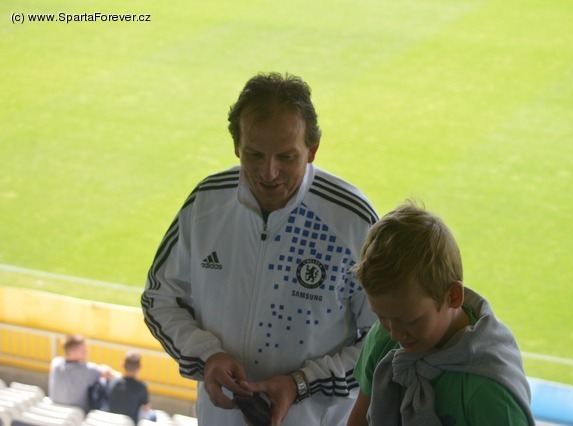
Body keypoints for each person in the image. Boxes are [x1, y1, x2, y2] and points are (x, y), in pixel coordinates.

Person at [141, 72, 378, 425]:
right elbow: (159, 298)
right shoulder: (206, 202)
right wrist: (207, 356)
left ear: (312, 150)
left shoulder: (353, 220)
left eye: (286, 157)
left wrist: (303, 383)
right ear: (237, 145)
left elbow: (385, 337)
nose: (269, 173)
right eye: (254, 154)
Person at [347, 201, 536, 426]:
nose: (395, 334)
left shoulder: (490, 391)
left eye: (409, 320)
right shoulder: (383, 336)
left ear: (453, 297)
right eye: (381, 317)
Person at [48, 334, 119, 413]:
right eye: (83, 349)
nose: (87, 351)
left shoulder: (56, 363)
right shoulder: (88, 370)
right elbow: (111, 374)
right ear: (73, 352)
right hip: (76, 416)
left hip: (54, 413)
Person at [107, 351, 156, 423]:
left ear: (123, 365)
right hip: (129, 423)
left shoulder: (113, 383)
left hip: (111, 421)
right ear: (140, 367)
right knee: (153, 415)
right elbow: (146, 408)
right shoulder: (141, 387)